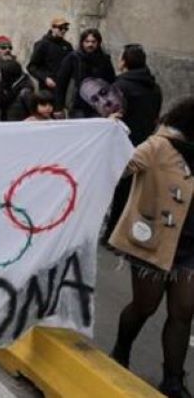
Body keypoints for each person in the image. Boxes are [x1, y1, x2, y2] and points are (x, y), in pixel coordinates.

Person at [108, 97, 194, 397]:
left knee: (183, 311)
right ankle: (121, 348)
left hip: (189, 249)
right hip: (153, 242)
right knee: (146, 306)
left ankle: (173, 379)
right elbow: (122, 166)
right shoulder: (159, 146)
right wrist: (109, 135)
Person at [104, 44, 165, 242]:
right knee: (135, 189)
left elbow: (114, 114)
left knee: (119, 188)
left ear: (125, 62)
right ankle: (130, 231)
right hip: (145, 143)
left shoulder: (121, 86)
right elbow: (156, 117)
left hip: (122, 143)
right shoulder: (155, 87)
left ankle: (113, 234)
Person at [55, 28, 115, 118]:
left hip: (99, 104)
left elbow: (111, 81)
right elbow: (61, 82)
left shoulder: (104, 59)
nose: (90, 44)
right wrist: (59, 107)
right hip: (77, 105)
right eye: (87, 41)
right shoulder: (73, 58)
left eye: (93, 42)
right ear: (82, 42)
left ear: (98, 43)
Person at [27, 16, 73, 94]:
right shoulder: (42, 44)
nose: (63, 31)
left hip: (64, 87)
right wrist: (45, 78)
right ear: (53, 28)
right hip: (47, 88)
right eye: (61, 28)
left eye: (66, 29)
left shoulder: (67, 46)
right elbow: (32, 67)